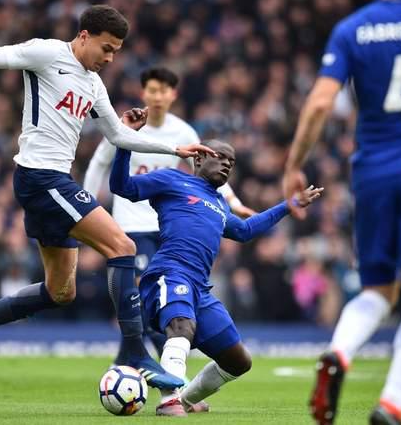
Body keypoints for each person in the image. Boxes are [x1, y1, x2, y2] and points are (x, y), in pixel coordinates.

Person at [0, 4, 215, 390]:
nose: (110, 59)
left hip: (52, 182)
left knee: (60, 291)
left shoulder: (93, 83)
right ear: (84, 36)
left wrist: (175, 150)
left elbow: (117, 135)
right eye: (106, 48)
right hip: (41, 177)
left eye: (116, 52)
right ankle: (134, 351)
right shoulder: (46, 53)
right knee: (123, 247)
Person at [282, 0, 401, 424]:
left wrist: (294, 165)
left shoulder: (352, 29)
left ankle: (339, 352)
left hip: (372, 171)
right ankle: (391, 404)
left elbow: (320, 103)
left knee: (377, 289)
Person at [111, 139, 323, 416]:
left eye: (231, 162)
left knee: (239, 361)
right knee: (181, 326)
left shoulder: (220, 203)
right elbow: (122, 186)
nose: (226, 164)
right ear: (198, 158)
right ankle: (169, 400)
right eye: (220, 156)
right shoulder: (171, 179)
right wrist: (124, 144)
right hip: (170, 273)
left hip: (200, 289)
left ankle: (186, 398)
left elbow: (245, 230)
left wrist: (289, 205)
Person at [84, 67, 254, 370]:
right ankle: (160, 363)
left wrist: (235, 203)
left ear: (173, 95)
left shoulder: (183, 132)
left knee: (145, 299)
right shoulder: (128, 127)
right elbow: (99, 162)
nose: (157, 96)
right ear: (143, 93)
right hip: (130, 224)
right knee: (144, 294)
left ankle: (128, 361)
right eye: (152, 90)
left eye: (163, 91)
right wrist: (85, 205)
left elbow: (210, 166)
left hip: (165, 225)